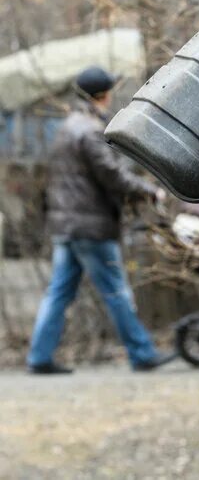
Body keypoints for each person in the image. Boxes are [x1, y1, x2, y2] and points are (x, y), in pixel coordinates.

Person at [26, 66, 175, 374]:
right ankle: (142, 353)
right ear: (103, 95)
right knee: (116, 290)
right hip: (91, 227)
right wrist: (150, 192)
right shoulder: (90, 131)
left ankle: (40, 357)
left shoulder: (67, 127)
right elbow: (113, 175)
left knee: (59, 291)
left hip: (66, 226)